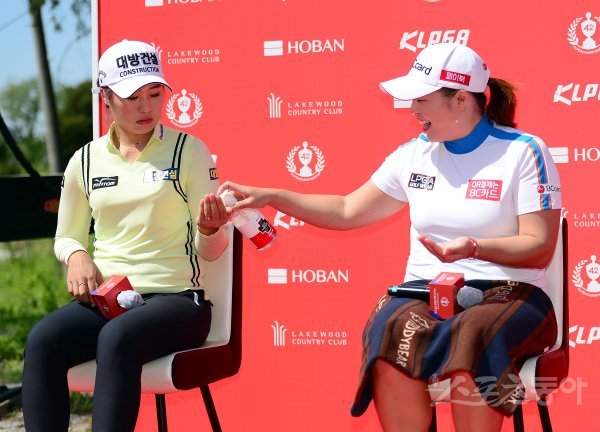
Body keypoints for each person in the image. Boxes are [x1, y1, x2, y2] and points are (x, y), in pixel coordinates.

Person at [217, 42, 561, 431]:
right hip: (426, 294)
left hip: (511, 294)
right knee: (388, 332)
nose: (412, 109)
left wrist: (474, 248)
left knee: (473, 336)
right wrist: (273, 196)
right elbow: (347, 210)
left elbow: (538, 246)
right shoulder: (412, 154)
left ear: (461, 99)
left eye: (421, 99)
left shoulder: (523, 151)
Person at [22, 40, 231, 432]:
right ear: (106, 98)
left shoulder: (189, 151)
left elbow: (214, 250)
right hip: (109, 303)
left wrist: (209, 229)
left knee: (117, 337)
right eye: (132, 97)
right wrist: (76, 256)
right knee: (42, 341)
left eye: (155, 94)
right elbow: (65, 237)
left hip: (178, 302)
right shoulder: (84, 160)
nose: (146, 107)